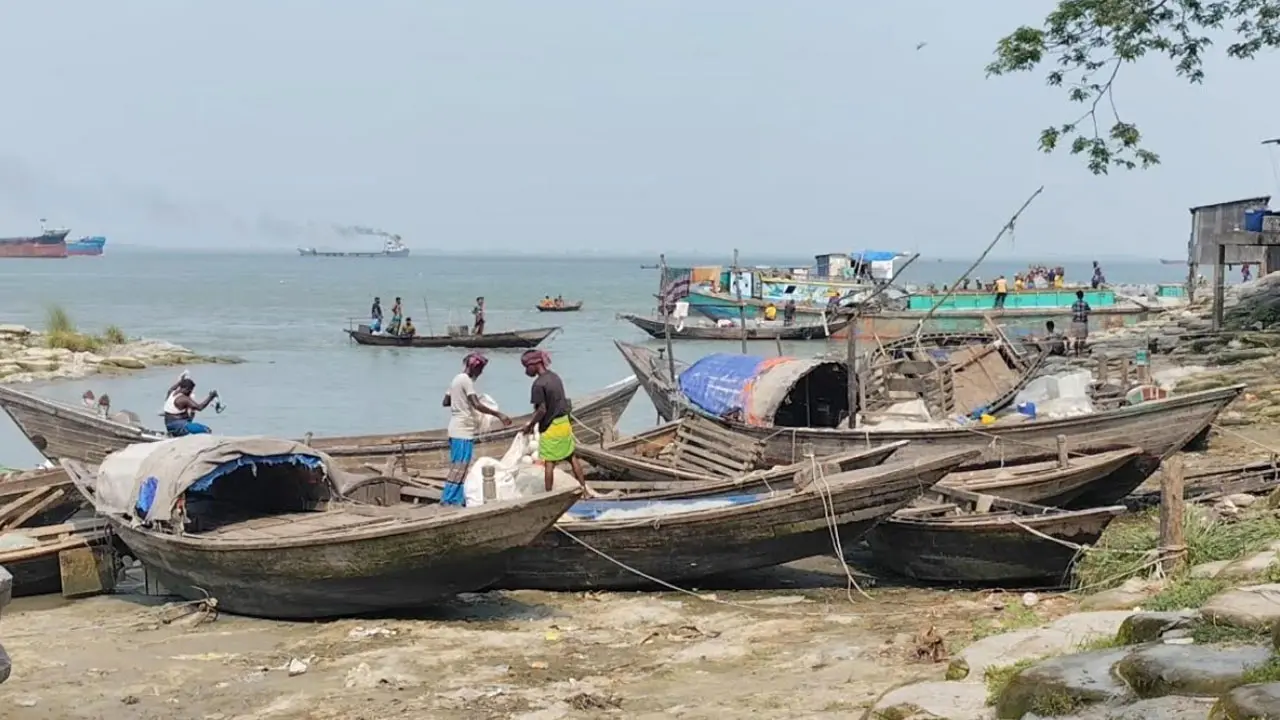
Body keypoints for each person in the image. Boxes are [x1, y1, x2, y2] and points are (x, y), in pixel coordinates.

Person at [520, 350, 594, 497]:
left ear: (536, 364)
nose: (526, 370)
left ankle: (548, 496)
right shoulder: (555, 377)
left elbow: (542, 410)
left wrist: (529, 426)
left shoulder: (538, 384)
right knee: (572, 458)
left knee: (549, 463)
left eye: (527, 366)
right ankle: (584, 489)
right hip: (564, 423)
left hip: (551, 427)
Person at [441, 353, 511, 506]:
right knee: (460, 466)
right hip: (462, 430)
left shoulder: (456, 379)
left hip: (455, 427)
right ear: (475, 368)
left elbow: (446, 402)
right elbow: (476, 404)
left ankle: (455, 499)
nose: (481, 374)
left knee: (459, 464)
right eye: (480, 370)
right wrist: (498, 414)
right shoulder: (466, 380)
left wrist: (460, 401)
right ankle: (448, 499)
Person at [1069, 289, 1091, 356]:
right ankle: (1080, 352)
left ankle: (1076, 353)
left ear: (1077, 296)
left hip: (1075, 322)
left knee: (1076, 338)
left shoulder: (1074, 303)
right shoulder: (1085, 303)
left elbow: (1072, 311)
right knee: (1082, 338)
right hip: (1082, 323)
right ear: (1083, 296)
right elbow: (1089, 310)